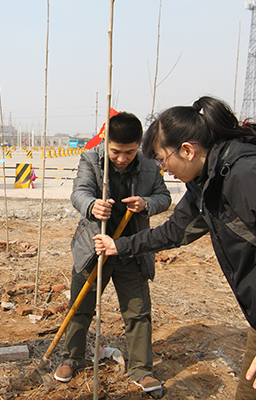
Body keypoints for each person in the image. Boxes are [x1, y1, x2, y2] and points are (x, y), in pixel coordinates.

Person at [94, 96, 256, 399]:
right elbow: (174, 232)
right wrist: (119, 246)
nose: (162, 168)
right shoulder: (207, 181)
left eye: (161, 158)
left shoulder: (251, 175)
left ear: (187, 150)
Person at [54, 112, 172, 393]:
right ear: (106, 143)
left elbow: (164, 197)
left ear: (139, 145)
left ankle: (142, 369)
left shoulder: (149, 165)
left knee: (138, 312)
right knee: (80, 308)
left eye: (129, 152)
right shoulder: (90, 159)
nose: (122, 158)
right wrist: (93, 205)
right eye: (116, 152)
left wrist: (146, 203)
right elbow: (79, 192)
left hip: (132, 250)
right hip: (95, 248)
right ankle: (71, 357)